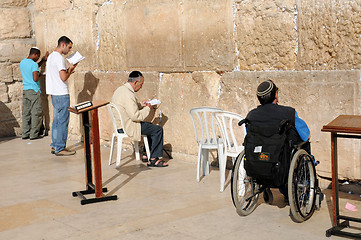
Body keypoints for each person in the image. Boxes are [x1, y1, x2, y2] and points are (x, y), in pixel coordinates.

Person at [246, 80, 311, 199]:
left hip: (257, 161)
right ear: (275, 95)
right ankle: (301, 190)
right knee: (304, 144)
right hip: (280, 162)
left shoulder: (251, 115)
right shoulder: (288, 113)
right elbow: (306, 135)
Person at [112, 71, 168, 167]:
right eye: (141, 84)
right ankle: (154, 159)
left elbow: (128, 107)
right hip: (128, 126)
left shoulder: (120, 90)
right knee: (157, 130)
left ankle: (146, 154)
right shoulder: (128, 94)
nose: (141, 87)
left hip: (121, 124)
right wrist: (148, 108)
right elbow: (135, 116)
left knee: (149, 126)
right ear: (135, 83)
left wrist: (140, 105)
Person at [46, 36, 78, 156]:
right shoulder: (59, 58)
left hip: (54, 93)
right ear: (63, 45)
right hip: (61, 93)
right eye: (69, 47)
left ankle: (55, 145)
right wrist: (70, 69)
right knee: (63, 121)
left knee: (56, 121)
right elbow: (63, 77)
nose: (69, 50)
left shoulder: (51, 57)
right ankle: (60, 147)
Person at [20, 47, 49, 140]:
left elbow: (34, 66)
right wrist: (41, 74)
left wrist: (42, 61)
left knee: (26, 113)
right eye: (38, 56)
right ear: (35, 54)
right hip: (34, 91)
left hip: (26, 90)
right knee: (36, 112)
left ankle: (25, 133)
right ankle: (33, 134)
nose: (38, 58)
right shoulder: (34, 65)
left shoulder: (23, 62)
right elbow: (35, 78)